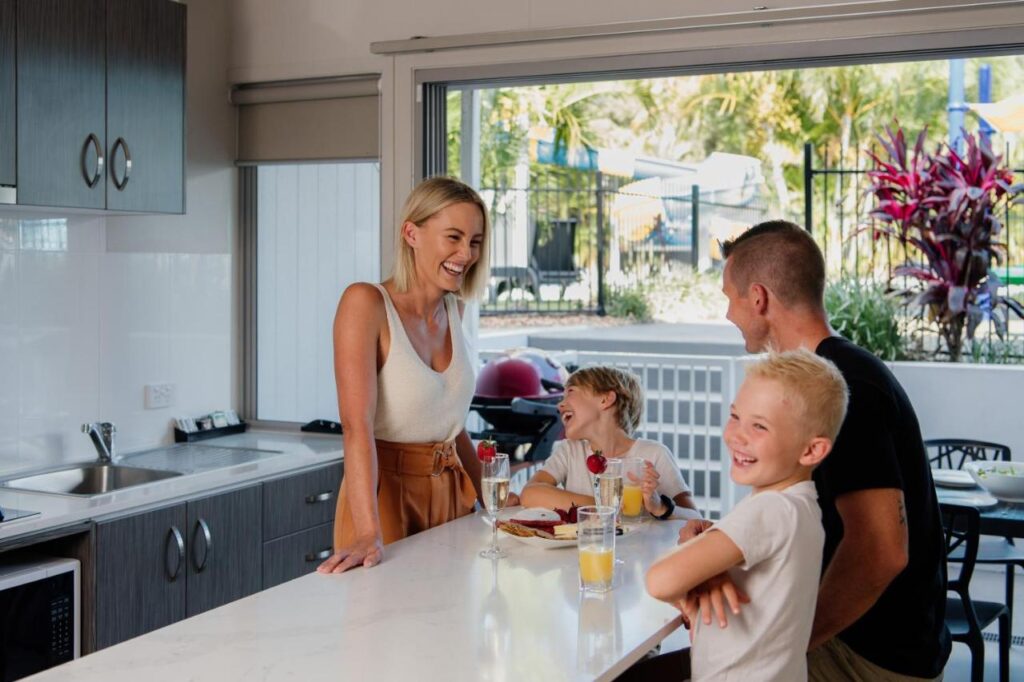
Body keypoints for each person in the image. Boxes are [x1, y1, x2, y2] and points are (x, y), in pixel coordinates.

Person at [682, 220, 951, 680]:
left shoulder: (845, 389)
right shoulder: (825, 379)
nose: (728, 314)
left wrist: (789, 640)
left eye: (730, 298)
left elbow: (883, 551)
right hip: (868, 642)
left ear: (759, 298)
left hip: (869, 656)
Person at [318, 176, 514, 574]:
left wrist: (500, 505)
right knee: (383, 628)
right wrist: (367, 531)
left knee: (448, 626)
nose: (466, 253)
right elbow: (356, 427)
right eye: (453, 238)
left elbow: (450, 427)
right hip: (383, 497)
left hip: (449, 494)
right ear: (412, 233)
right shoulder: (366, 303)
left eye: (475, 242)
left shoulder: (455, 311)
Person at [644, 350, 848, 681]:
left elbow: (660, 580)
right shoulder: (802, 506)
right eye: (735, 416)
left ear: (811, 450)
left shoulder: (770, 509)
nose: (737, 435)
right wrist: (706, 567)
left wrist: (691, 584)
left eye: (759, 426)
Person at [520, 366, 697, 518]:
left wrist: (659, 506)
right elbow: (530, 493)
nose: (560, 405)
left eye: (571, 392)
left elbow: (694, 517)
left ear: (605, 400)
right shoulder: (570, 451)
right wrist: (606, 509)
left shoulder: (653, 454)